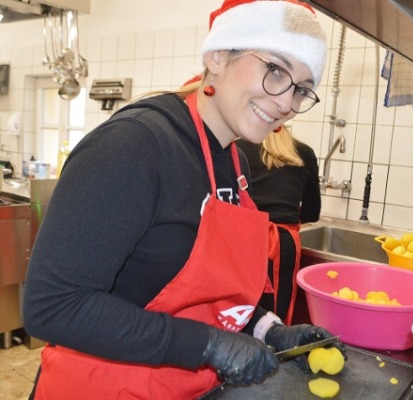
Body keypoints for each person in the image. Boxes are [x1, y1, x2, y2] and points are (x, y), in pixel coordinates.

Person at [23, 1, 344, 399]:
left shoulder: (233, 162)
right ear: (218, 55)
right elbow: (52, 306)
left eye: (302, 89)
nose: (285, 104)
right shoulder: (134, 145)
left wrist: (268, 329)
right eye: (276, 70)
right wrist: (208, 346)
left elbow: (204, 292)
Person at [236, 125, 321, 324]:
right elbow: (312, 212)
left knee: (239, 312)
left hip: (244, 239)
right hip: (283, 246)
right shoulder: (304, 153)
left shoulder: (237, 149)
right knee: (276, 318)